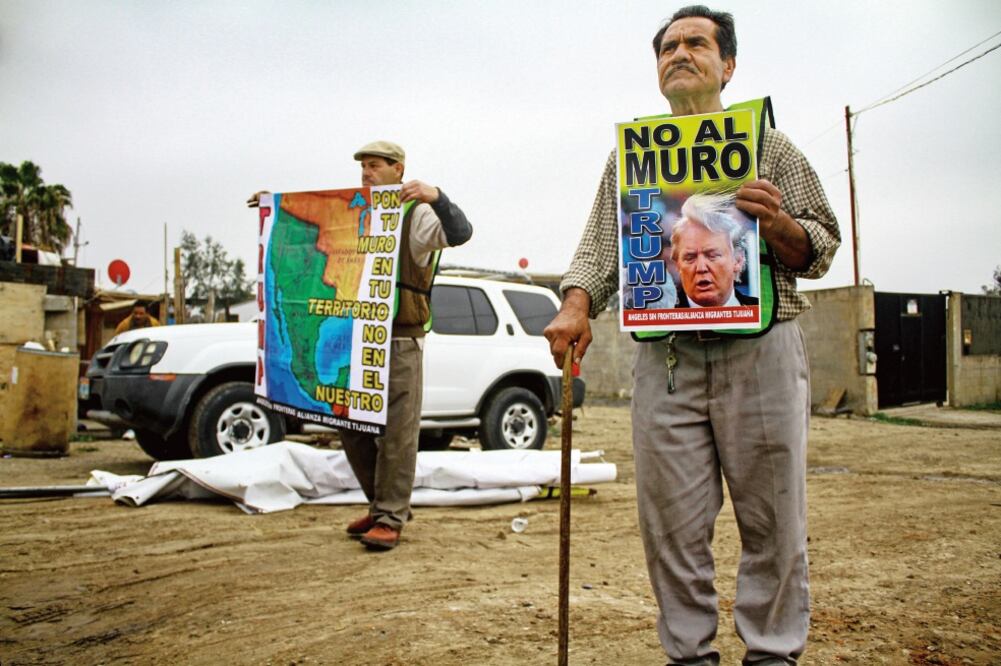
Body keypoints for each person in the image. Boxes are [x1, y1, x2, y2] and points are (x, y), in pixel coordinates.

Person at [544, 6, 840, 665]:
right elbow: (599, 253)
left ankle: (770, 654)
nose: (679, 53)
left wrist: (781, 226)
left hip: (760, 353)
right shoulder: (633, 158)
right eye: (667, 47)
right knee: (671, 526)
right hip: (668, 358)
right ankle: (689, 655)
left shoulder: (769, 147)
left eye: (695, 43)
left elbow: (820, 243)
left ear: (726, 65)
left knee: (773, 520)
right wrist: (574, 306)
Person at [249, 140, 472, 551]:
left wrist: (436, 196)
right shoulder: (358, 213)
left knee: (397, 433)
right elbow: (312, 226)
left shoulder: (415, 214)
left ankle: (390, 516)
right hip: (356, 336)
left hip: (401, 338)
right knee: (350, 423)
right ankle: (382, 505)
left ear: (398, 170)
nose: (366, 173)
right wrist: (274, 209)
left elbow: (460, 232)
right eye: (363, 167)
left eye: (375, 166)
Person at [671, 194, 758, 308]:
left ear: (738, 260)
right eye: (690, 258)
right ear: (677, 265)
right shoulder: (658, 319)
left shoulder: (761, 310)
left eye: (712, 256)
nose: (701, 268)